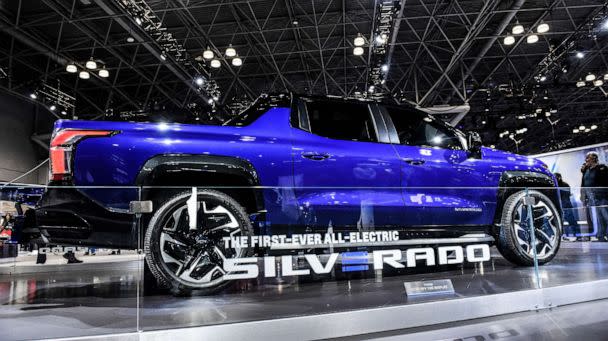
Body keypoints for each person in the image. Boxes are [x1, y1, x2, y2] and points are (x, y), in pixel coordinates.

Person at [581, 152, 608, 242]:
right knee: (596, 218)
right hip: (590, 198)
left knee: (606, 216)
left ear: (594, 159)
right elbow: (583, 184)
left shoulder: (602, 168)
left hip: (602, 197)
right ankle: (600, 236)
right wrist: (583, 199)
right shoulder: (586, 170)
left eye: (588, 158)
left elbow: (605, 182)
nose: (586, 160)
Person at [555, 173, 580, 240]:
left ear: (559, 177)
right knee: (559, 222)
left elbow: (567, 194)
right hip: (559, 206)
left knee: (572, 221)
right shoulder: (554, 185)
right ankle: (562, 236)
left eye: (556, 177)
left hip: (566, 206)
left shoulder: (565, 185)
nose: (556, 179)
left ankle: (578, 235)